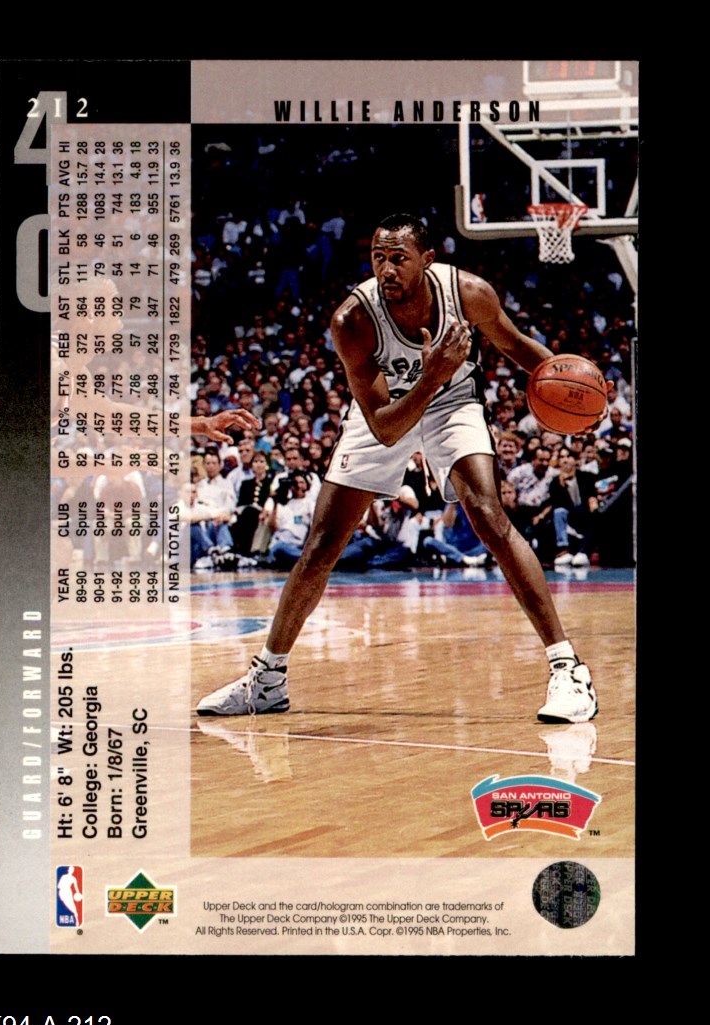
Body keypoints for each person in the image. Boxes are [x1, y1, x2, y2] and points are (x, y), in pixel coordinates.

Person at [197, 214, 597, 724]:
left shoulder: (468, 294)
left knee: (489, 516)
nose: (387, 269)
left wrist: (575, 387)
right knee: (321, 545)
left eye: (399, 259)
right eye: (378, 258)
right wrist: (430, 375)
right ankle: (267, 679)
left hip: (452, 403)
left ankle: (568, 669)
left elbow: (517, 346)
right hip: (387, 410)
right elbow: (385, 428)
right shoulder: (352, 320)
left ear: (427, 260)